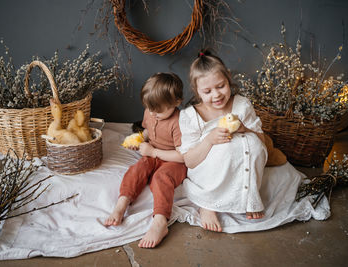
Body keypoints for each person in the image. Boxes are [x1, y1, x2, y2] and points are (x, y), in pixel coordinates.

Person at [178, 49, 268, 232]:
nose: (216, 95)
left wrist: (245, 129)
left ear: (228, 79)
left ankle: (249, 195)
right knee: (225, 148)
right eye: (207, 91)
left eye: (220, 86)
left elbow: (262, 140)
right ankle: (208, 204)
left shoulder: (242, 105)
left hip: (245, 163)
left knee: (253, 145)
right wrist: (209, 140)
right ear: (197, 92)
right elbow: (190, 161)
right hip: (209, 171)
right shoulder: (190, 116)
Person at [104, 72, 187, 248]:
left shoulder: (178, 121)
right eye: (150, 109)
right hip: (153, 153)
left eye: (158, 111)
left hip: (174, 161)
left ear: (176, 102)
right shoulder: (151, 111)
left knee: (161, 178)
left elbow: (182, 155)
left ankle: (160, 221)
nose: (153, 113)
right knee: (138, 168)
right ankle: (122, 204)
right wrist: (140, 139)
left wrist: (154, 151)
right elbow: (148, 130)